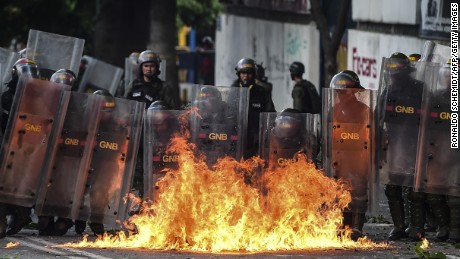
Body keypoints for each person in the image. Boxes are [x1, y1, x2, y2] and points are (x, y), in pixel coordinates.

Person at [379, 52, 425, 241]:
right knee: (392, 188)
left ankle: (417, 228)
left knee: (415, 190)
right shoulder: (388, 92)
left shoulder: (420, 90)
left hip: (415, 144)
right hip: (395, 145)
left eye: (396, 70)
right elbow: (378, 119)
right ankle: (399, 226)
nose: (393, 75)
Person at [327, 70, 373, 241]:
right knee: (340, 193)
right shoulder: (334, 110)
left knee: (358, 192)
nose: (340, 95)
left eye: (343, 91)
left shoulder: (364, 110)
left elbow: (372, 134)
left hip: (358, 158)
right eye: (338, 92)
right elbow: (327, 134)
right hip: (339, 158)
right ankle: (343, 227)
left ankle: (357, 227)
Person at [0, 58, 40, 237]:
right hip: (8, 143)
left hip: (29, 144)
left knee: (19, 183)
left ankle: (21, 214)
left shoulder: (41, 96)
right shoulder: (8, 95)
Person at [230, 58, 276, 159]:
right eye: (243, 73)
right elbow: (228, 112)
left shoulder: (262, 92)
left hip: (256, 139)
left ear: (254, 74)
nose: (246, 76)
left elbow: (270, 113)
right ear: (239, 74)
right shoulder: (233, 91)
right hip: (236, 136)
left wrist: (266, 134)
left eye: (249, 73)